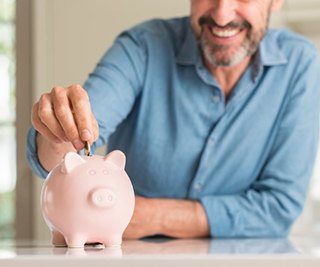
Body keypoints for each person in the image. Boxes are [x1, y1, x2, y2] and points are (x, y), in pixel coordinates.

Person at [27, 0, 320, 239]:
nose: (221, 14)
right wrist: (58, 132)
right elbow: (68, 151)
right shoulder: (142, 47)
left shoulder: (301, 65)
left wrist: (148, 215)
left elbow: (278, 209)